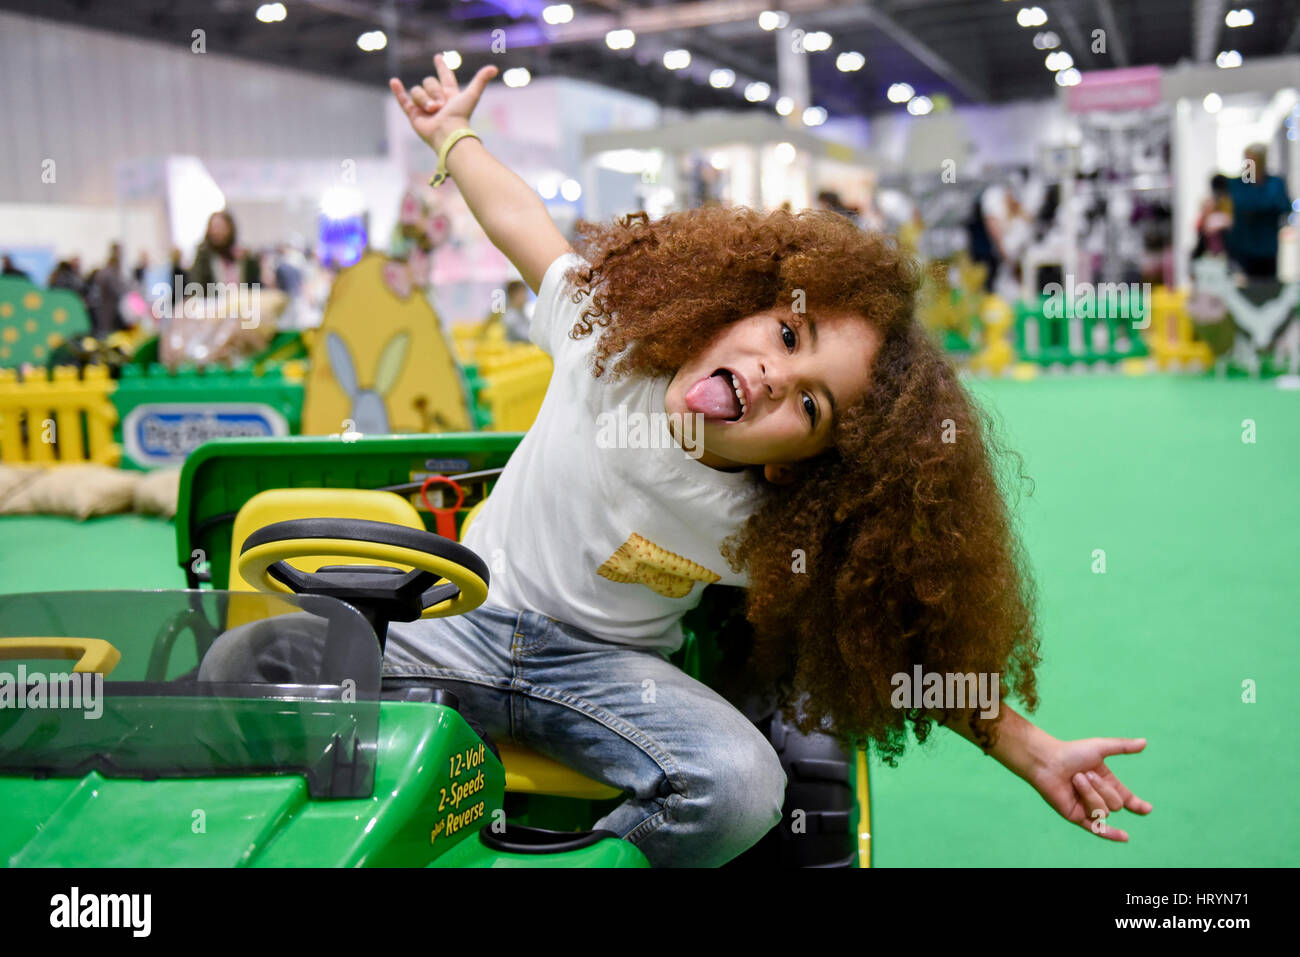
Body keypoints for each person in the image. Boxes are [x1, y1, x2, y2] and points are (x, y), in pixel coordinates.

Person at [202, 59, 1154, 868]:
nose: (777, 375)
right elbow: (520, 220)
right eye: (788, 329)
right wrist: (453, 137)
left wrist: (1030, 747)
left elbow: (901, 646)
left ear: (801, 466)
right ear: (737, 303)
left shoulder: (775, 525)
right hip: (459, 623)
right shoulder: (603, 343)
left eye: (812, 403)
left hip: (609, 676)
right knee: (251, 656)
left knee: (742, 790)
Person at [1226, 144, 1292, 278]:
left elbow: (1284, 206)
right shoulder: (1238, 185)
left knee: (1267, 287)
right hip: (1242, 248)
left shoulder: (1275, 183)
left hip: (1267, 248)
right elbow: (1243, 204)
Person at [189, 210, 259, 289]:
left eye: (221, 227)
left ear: (230, 228)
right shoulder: (203, 256)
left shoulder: (242, 255)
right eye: (214, 227)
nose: (217, 231)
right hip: (214, 300)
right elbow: (197, 284)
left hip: (241, 299)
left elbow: (254, 283)